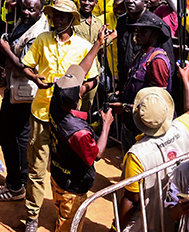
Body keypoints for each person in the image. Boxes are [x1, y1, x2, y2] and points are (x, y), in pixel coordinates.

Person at [20, 0, 100, 232]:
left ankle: (63, 215)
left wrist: (76, 90)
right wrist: (34, 78)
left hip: (67, 121)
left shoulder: (84, 46)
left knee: (64, 170)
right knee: (36, 168)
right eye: (54, 14)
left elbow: (93, 78)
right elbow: (27, 65)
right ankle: (32, 217)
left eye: (62, 15)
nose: (56, 18)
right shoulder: (42, 40)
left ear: (72, 20)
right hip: (41, 113)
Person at [0, 0, 50, 203]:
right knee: (9, 134)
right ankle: (17, 179)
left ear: (41, 12)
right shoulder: (29, 13)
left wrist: (5, 49)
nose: (25, 11)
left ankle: (17, 185)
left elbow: (27, 68)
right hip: (15, 90)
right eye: (25, 6)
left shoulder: (37, 33)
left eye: (31, 9)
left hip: (26, 92)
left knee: (15, 136)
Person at [47, 28, 114, 232]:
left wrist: (98, 44)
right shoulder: (79, 132)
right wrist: (107, 125)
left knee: (60, 212)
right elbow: (97, 154)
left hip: (57, 175)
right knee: (70, 225)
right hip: (73, 188)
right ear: (79, 97)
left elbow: (81, 72)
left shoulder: (56, 102)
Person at [119, 62, 189, 232]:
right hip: (179, 214)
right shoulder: (182, 128)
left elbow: (132, 199)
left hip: (151, 220)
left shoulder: (136, 155)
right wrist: (185, 79)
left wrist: (116, 227)